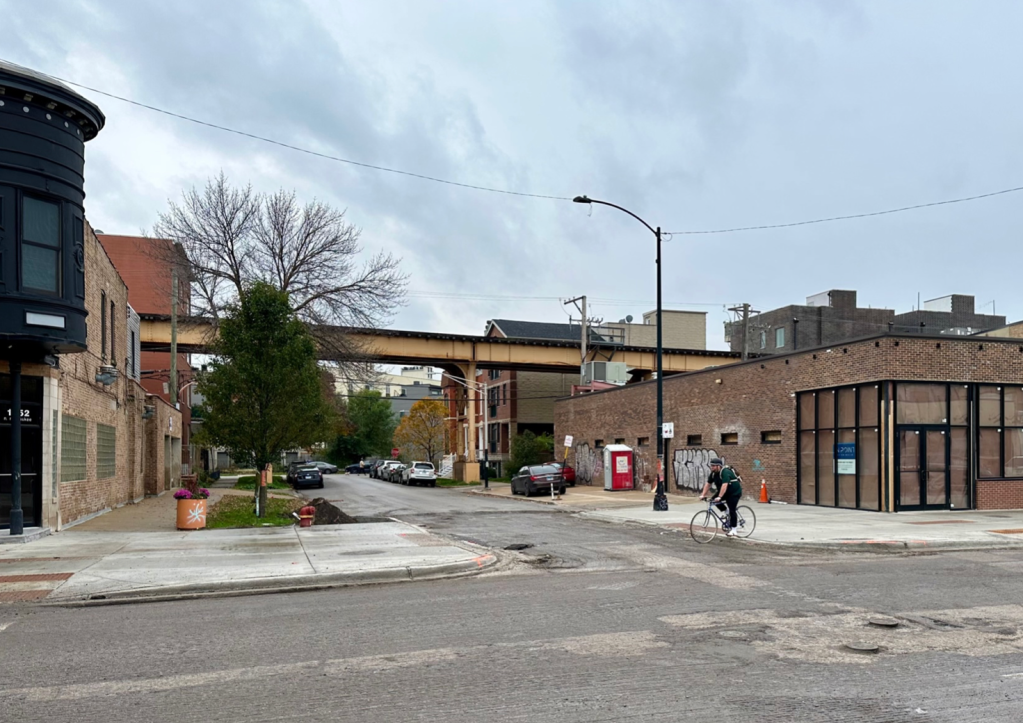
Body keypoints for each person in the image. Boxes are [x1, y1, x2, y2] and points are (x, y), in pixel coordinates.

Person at [699, 458, 743, 537]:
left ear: (719, 466)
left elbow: (724, 485)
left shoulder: (725, 472)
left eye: (713, 466)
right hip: (725, 492)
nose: (712, 467)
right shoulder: (713, 474)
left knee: (732, 510)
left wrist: (719, 496)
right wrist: (703, 494)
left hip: (734, 492)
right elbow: (708, 484)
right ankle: (726, 511)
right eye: (711, 465)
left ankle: (734, 530)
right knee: (713, 501)